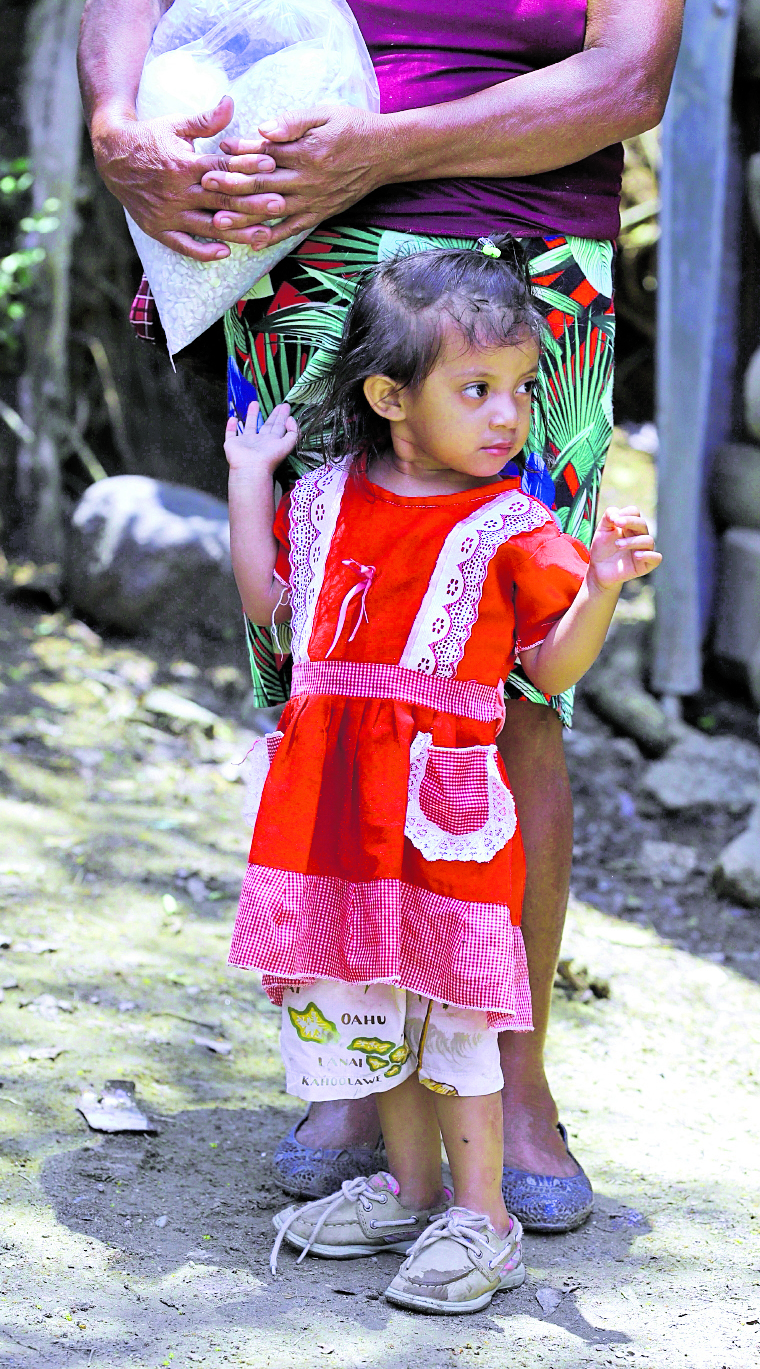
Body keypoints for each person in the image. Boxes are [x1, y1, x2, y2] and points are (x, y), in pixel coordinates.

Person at [79, 0, 703, 1225]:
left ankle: (513, 1077)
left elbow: (625, 77)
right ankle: (360, 1067)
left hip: (524, 299)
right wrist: (117, 130)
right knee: (327, 680)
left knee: (508, 694)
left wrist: (372, 150)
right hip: (318, 284)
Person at [224, 246, 660, 1310]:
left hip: (439, 823)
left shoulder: (511, 526)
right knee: (373, 1009)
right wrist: (249, 479)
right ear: (390, 398)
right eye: (478, 391)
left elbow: (545, 671)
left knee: (454, 1021)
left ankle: (484, 1220)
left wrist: (598, 585)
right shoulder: (324, 498)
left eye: (519, 389)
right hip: (335, 818)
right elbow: (264, 606)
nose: (510, 416)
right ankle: (411, 1186)